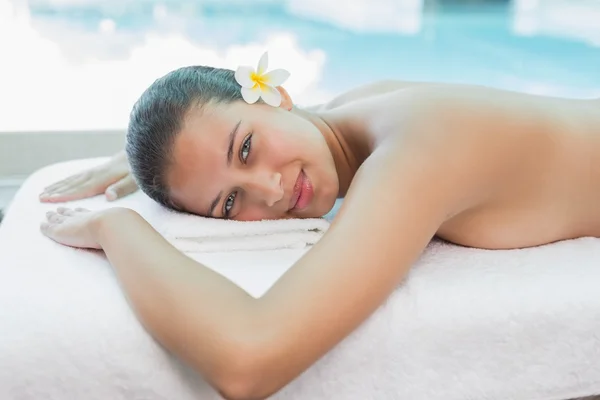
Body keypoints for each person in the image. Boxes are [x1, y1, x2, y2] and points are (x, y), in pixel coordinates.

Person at [38, 53, 600, 400]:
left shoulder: (419, 153)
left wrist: (119, 229)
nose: (272, 190)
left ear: (278, 96)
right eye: (231, 203)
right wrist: (157, 159)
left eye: (247, 147)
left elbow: (248, 360)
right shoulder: (357, 107)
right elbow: (231, 131)